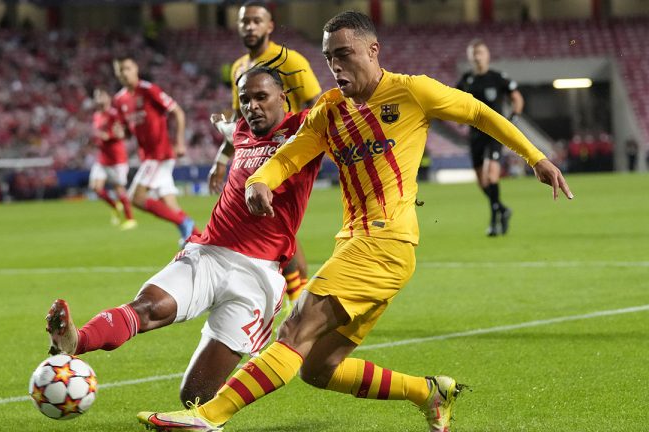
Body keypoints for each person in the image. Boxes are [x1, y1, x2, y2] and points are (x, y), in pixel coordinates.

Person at [138, 11, 573, 432]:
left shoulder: (412, 92)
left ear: (373, 50)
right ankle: (430, 392)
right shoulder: (328, 110)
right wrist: (260, 180)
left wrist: (534, 156)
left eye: (344, 54)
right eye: (329, 57)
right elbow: (291, 154)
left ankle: (208, 417)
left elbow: (477, 111)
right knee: (318, 368)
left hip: (387, 242)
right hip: (356, 245)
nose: (335, 66)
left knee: (296, 326)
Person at [46, 64, 323, 405]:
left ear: (283, 97)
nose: (252, 106)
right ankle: (76, 341)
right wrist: (220, 162)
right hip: (208, 253)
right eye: (246, 99)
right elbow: (229, 133)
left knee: (194, 396)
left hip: (257, 277)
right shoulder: (241, 130)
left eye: (261, 97)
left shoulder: (307, 128)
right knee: (149, 308)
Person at [209, 0, 323, 306]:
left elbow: (317, 104)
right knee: (277, 232)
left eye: (256, 21)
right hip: (253, 160)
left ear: (270, 26)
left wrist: (301, 145)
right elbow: (239, 122)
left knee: (279, 231)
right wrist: (222, 159)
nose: (249, 27)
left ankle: (298, 305)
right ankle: (298, 305)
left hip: (289, 158)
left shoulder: (290, 60)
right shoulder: (238, 68)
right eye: (244, 21)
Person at [112, 56, 198, 245]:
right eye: (119, 70)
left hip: (159, 155)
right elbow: (127, 132)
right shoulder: (119, 100)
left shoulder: (149, 90)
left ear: (135, 68)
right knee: (170, 205)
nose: (123, 73)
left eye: (126, 68)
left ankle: (184, 222)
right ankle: (200, 240)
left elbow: (178, 112)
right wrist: (121, 133)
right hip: (148, 157)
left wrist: (180, 142)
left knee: (136, 198)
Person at [456, 39, 525, 236]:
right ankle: (502, 209)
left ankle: (494, 221)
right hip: (475, 135)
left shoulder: (497, 77)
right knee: (481, 181)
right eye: (474, 53)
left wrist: (513, 117)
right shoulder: (466, 80)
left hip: (494, 132)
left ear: (487, 55)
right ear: (470, 57)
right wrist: (458, 116)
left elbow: (517, 98)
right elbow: (454, 100)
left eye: (480, 52)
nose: (477, 56)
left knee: (492, 175)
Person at [88, 87, 136, 230]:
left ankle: (130, 219)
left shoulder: (114, 114)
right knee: (95, 188)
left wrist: (107, 136)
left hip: (117, 159)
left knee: (118, 188)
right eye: (96, 97)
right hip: (102, 158)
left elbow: (122, 134)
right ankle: (115, 206)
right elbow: (97, 134)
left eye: (101, 96)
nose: (98, 99)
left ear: (108, 98)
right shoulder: (96, 115)